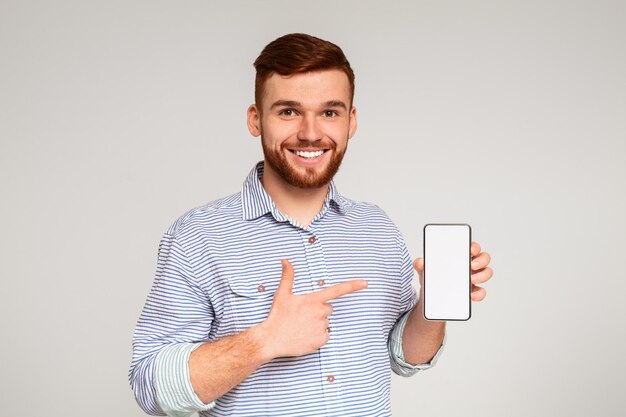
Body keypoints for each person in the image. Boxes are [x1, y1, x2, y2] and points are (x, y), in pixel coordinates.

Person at [129, 33, 493, 417]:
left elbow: (405, 357)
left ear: (351, 121)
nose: (310, 133)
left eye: (330, 112)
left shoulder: (377, 228)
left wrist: (432, 306)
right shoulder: (196, 237)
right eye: (288, 111)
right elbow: (150, 388)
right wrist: (263, 341)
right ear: (256, 119)